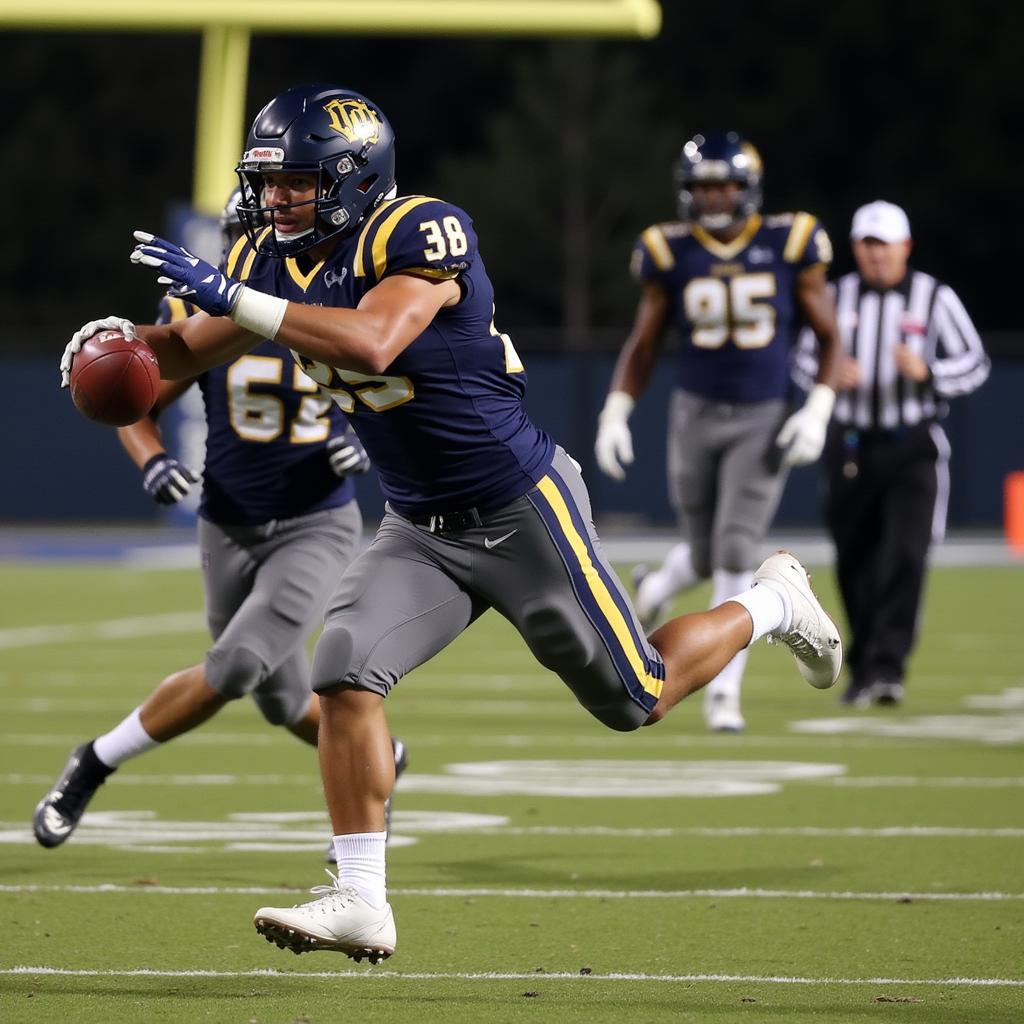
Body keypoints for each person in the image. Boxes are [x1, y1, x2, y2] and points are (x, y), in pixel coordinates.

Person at [59, 84, 842, 964]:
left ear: (356, 180)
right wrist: (112, 346)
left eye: (298, 182)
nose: (274, 199)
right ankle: (361, 898)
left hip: (518, 505)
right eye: (267, 181)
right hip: (418, 523)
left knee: (638, 698)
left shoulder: (420, 230)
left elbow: (372, 342)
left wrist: (235, 298)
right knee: (344, 673)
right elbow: (186, 350)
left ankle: (775, 601)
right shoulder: (270, 262)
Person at [36, 188, 408, 853]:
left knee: (235, 665)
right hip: (227, 523)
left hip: (314, 522)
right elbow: (141, 396)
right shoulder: (202, 320)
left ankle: (93, 762)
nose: (268, 253)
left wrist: (367, 437)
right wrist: (149, 457)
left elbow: (398, 393)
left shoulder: (334, 305)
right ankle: (386, 754)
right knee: (283, 702)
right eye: (254, 238)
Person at [594, 132, 842, 733]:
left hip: (762, 413)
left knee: (735, 546)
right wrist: (617, 408)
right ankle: (656, 584)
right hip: (695, 411)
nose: (714, 196)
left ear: (747, 188)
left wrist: (818, 408)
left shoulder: (790, 243)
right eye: (704, 185)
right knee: (705, 550)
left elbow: (831, 336)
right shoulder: (669, 250)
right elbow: (646, 341)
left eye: (724, 184)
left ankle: (722, 690)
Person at [792, 200, 990, 708]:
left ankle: (887, 668)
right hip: (851, 444)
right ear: (856, 248)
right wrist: (828, 378)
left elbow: (975, 362)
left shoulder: (933, 297)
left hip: (912, 446)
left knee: (905, 554)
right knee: (854, 559)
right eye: (867, 245)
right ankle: (863, 664)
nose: (876, 256)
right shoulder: (836, 294)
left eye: (884, 246)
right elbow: (801, 361)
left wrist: (930, 374)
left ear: (905, 247)